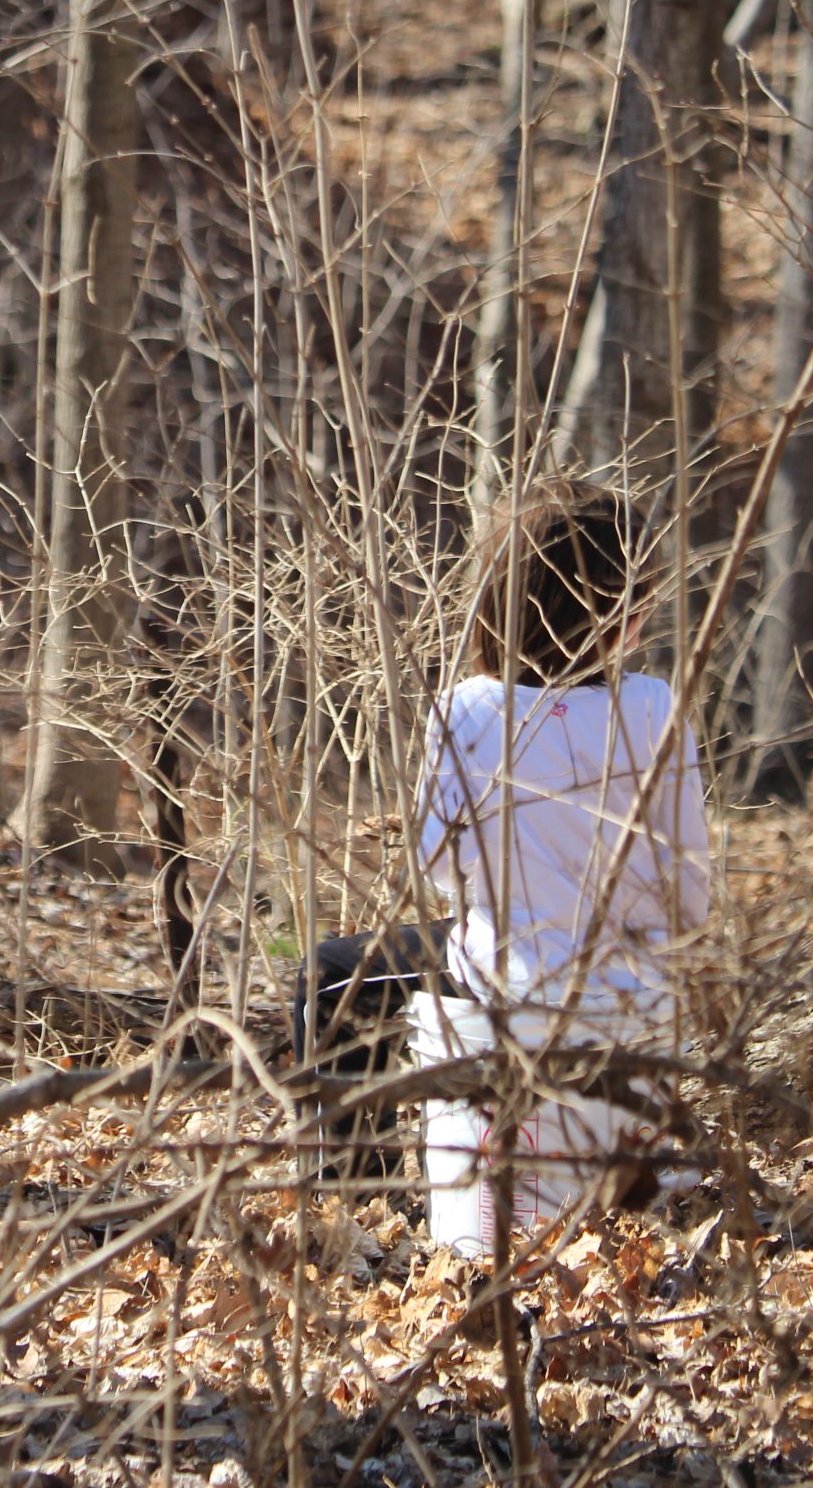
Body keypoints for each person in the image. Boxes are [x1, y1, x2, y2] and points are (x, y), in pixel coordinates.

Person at [305, 485, 710, 1192]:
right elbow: (690, 895)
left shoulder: (467, 708)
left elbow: (437, 866)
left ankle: (352, 1189)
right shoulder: (653, 707)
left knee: (334, 973)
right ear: (620, 610)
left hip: (507, 979)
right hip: (636, 989)